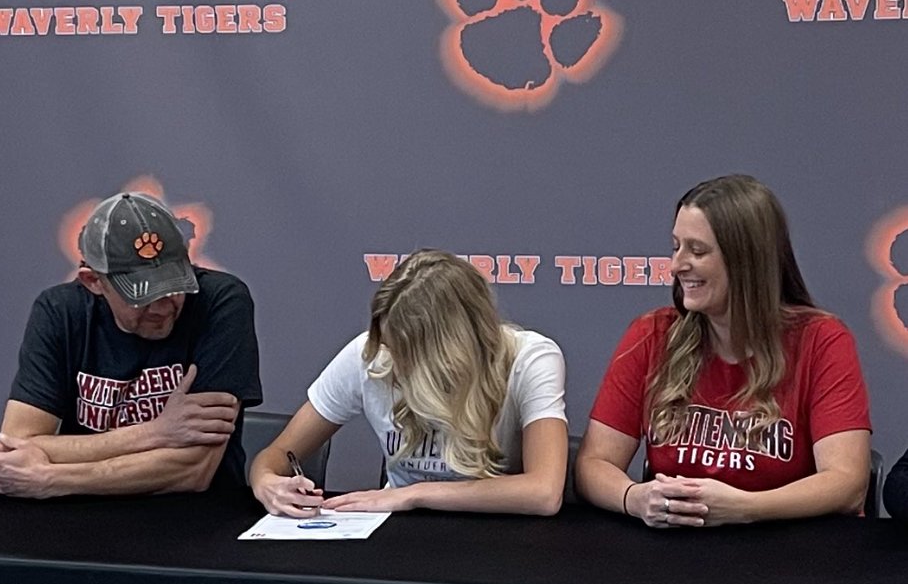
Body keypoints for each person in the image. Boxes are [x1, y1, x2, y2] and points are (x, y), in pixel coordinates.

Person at [575, 174, 871, 527]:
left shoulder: (821, 340)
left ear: (747, 260)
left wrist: (746, 508)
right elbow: (594, 464)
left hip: (791, 547)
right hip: (678, 544)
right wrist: (634, 498)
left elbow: (847, 483)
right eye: (676, 247)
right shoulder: (652, 334)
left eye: (697, 251)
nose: (677, 265)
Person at [0, 191, 261, 497]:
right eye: (142, 295)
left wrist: (53, 477)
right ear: (94, 281)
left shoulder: (221, 302)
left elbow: (193, 470)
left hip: (192, 512)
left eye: (173, 286)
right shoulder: (59, 311)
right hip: (81, 512)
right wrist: (155, 432)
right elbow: (17, 445)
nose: (162, 306)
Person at [250, 249, 568, 516]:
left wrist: (414, 494)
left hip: (498, 534)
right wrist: (266, 482)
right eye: (389, 346)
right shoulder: (369, 355)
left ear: (453, 348)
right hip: (401, 531)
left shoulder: (530, 359)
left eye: (408, 352)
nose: (394, 362)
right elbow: (276, 454)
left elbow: (543, 492)